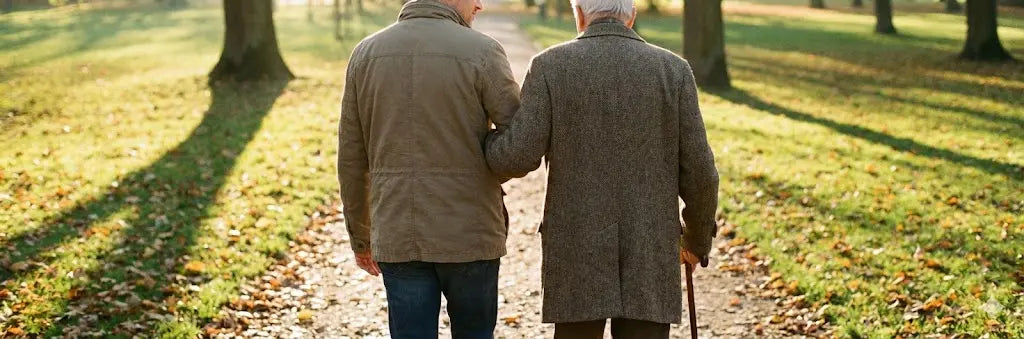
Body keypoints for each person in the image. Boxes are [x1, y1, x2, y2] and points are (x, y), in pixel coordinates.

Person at [484, 0, 720, 336]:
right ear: (632, 16)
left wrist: (483, 143)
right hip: (650, 247)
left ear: (578, 14)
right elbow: (700, 173)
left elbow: (517, 157)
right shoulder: (673, 71)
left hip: (576, 244)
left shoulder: (551, 66)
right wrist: (697, 241)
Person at [336, 0, 520, 337]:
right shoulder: (483, 51)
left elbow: (351, 156)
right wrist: (490, 166)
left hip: (397, 231)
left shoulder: (366, 54)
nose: (480, 3)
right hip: (470, 231)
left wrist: (361, 237)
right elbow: (519, 144)